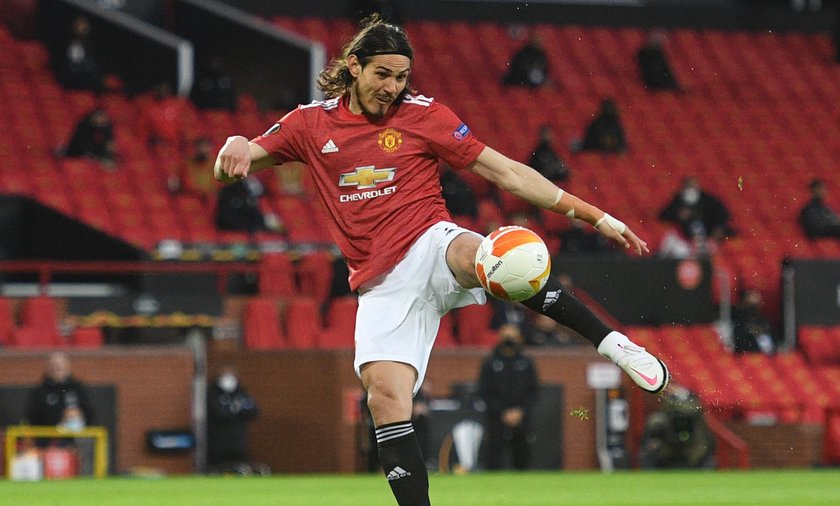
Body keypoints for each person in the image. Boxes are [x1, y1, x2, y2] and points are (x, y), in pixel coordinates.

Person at [214, 15, 668, 505]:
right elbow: (231, 167)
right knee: (385, 398)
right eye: (382, 74)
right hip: (380, 285)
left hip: (431, 243)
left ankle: (616, 346)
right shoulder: (310, 124)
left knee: (494, 256)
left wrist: (595, 215)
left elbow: (508, 173)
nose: (392, 87)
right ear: (354, 66)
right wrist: (234, 145)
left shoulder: (424, 116)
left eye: (401, 76)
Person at [477, 324, 539, 470]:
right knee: (493, 459)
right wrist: (502, 412)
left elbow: (533, 391)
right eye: (506, 337)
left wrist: (520, 411)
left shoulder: (526, 363)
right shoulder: (490, 363)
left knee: (522, 459)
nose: (509, 340)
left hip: (521, 419)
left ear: (519, 339)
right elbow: (484, 391)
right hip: (496, 419)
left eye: (512, 337)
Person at [26, 352, 95, 446]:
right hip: (48, 443)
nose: (56, 369)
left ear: (68, 367)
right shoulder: (40, 391)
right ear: (48, 368)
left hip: (77, 442)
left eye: (60, 366)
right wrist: (60, 418)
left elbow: (91, 414)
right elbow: (32, 418)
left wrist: (79, 416)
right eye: (53, 366)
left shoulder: (78, 388)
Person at [639, 386, 714, 469]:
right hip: (666, 450)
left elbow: (707, 442)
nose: (680, 417)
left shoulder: (698, 423)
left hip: (692, 451)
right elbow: (649, 443)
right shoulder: (658, 421)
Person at [206, 365, 261, 473]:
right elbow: (217, 413)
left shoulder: (241, 393)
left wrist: (234, 410)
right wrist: (236, 411)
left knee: (238, 469)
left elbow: (253, 411)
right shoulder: (212, 393)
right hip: (217, 442)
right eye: (225, 375)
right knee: (219, 469)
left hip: (238, 442)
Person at [659, 176, 734, 241]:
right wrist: (678, 214)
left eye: (693, 186)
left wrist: (719, 227)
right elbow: (663, 215)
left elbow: (723, 213)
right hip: (686, 236)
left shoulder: (708, 199)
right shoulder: (678, 200)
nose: (691, 189)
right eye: (688, 186)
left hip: (708, 232)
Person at [53, 16, 104, 93]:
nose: (81, 27)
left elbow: (93, 68)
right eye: (79, 25)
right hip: (65, 83)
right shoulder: (63, 43)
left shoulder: (91, 48)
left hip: (85, 86)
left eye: (84, 25)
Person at [168, 137, 218, 201]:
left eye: (206, 148)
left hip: (210, 200)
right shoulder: (186, 165)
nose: (203, 151)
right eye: (201, 148)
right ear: (196, 149)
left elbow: (217, 186)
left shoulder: (215, 165)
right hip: (190, 199)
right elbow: (183, 184)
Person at [731, 288, 776, 354]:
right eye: (751, 296)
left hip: (763, 356)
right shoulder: (738, 321)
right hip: (745, 355)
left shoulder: (764, 322)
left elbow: (770, 347)